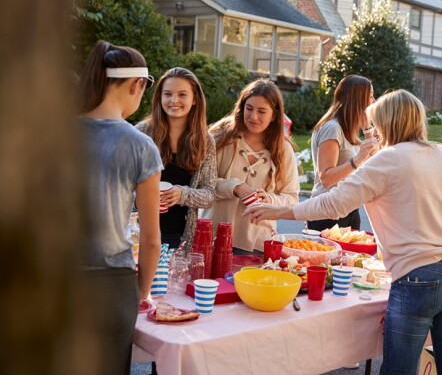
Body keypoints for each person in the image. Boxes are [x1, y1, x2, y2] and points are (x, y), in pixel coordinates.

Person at [246, 90, 442, 375]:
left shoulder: (387, 160)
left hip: (418, 276)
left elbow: (332, 204)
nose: (372, 132)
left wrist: (279, 210)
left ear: (386, 124)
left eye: (375, 125)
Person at [77, 40, 162, 375]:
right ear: (136, 85)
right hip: (110, 286)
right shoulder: (139, 145)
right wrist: (141, 292)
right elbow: (151, 237)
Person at [202, 79, 299, 254]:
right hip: (212, 238)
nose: (253, 116)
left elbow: (291, 197)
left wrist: (270, 200)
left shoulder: (283, 149)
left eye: (262, 111)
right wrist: (235, 187)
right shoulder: (220, 137)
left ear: (275, 115)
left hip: (257, 244)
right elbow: (201, 182)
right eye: (249, 108)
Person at [136, 67, 216, 252]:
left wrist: (182, 194)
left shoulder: (205, 141)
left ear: (194, 99)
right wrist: (143, 198)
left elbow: (210, 194)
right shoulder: (141, 133)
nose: (174, 100)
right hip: (141, 233)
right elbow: (123, 187)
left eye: (182, 94)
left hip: (181, 239)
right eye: (168, 94)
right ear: (159, 98)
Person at [306, 74, 379, 232]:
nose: (374, 101)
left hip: (349, 210)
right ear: (357, 99)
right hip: (327, 212)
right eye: (370, 96)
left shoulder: (349, 130)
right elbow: (327, 178)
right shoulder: (332, 128)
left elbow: (374, 161)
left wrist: (367, 130)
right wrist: (358, 158)